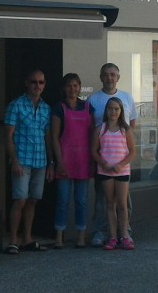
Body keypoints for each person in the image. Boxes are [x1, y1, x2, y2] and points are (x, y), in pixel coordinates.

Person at [4, 70, 54, 255]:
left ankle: (27, 238)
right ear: (27, 83)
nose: (37, 86)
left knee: (33, 200)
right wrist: (14, 161)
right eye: (34, 82)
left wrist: (51, 163)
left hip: (40, 161)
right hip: (22, 160)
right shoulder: (15, 105)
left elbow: (48, 138)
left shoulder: (46, 108)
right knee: (20, 200)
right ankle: (13, 240)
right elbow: (8, 137)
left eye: (41, 82)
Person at [87, 63, 137, 247]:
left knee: (124, 202)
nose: (110, 77)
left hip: (122, 165)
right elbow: (91, 130)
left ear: (118, 77)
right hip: (104, 162)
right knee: (103, 200)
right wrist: (100, 160)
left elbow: (132, 124)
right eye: (106, 74)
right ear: (101, 76)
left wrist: (123, 155)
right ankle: (103, 232)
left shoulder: (127, 97)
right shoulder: (93, 99)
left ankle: (125, 232)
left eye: (113, 74)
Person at [51, 73, 94, 248]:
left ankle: (81, 237)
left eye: (75, 85)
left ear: (80, 87)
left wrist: (93, 159)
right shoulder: (58, 108)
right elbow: (54, 136)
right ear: (64, 88)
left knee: (82, 201)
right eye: (69, 85)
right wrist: (59, 161)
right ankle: (59, 237)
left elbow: (93, 135)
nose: (72, 89)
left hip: (83, 160)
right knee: (62, 200)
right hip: (65, 160)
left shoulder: (88, 107)